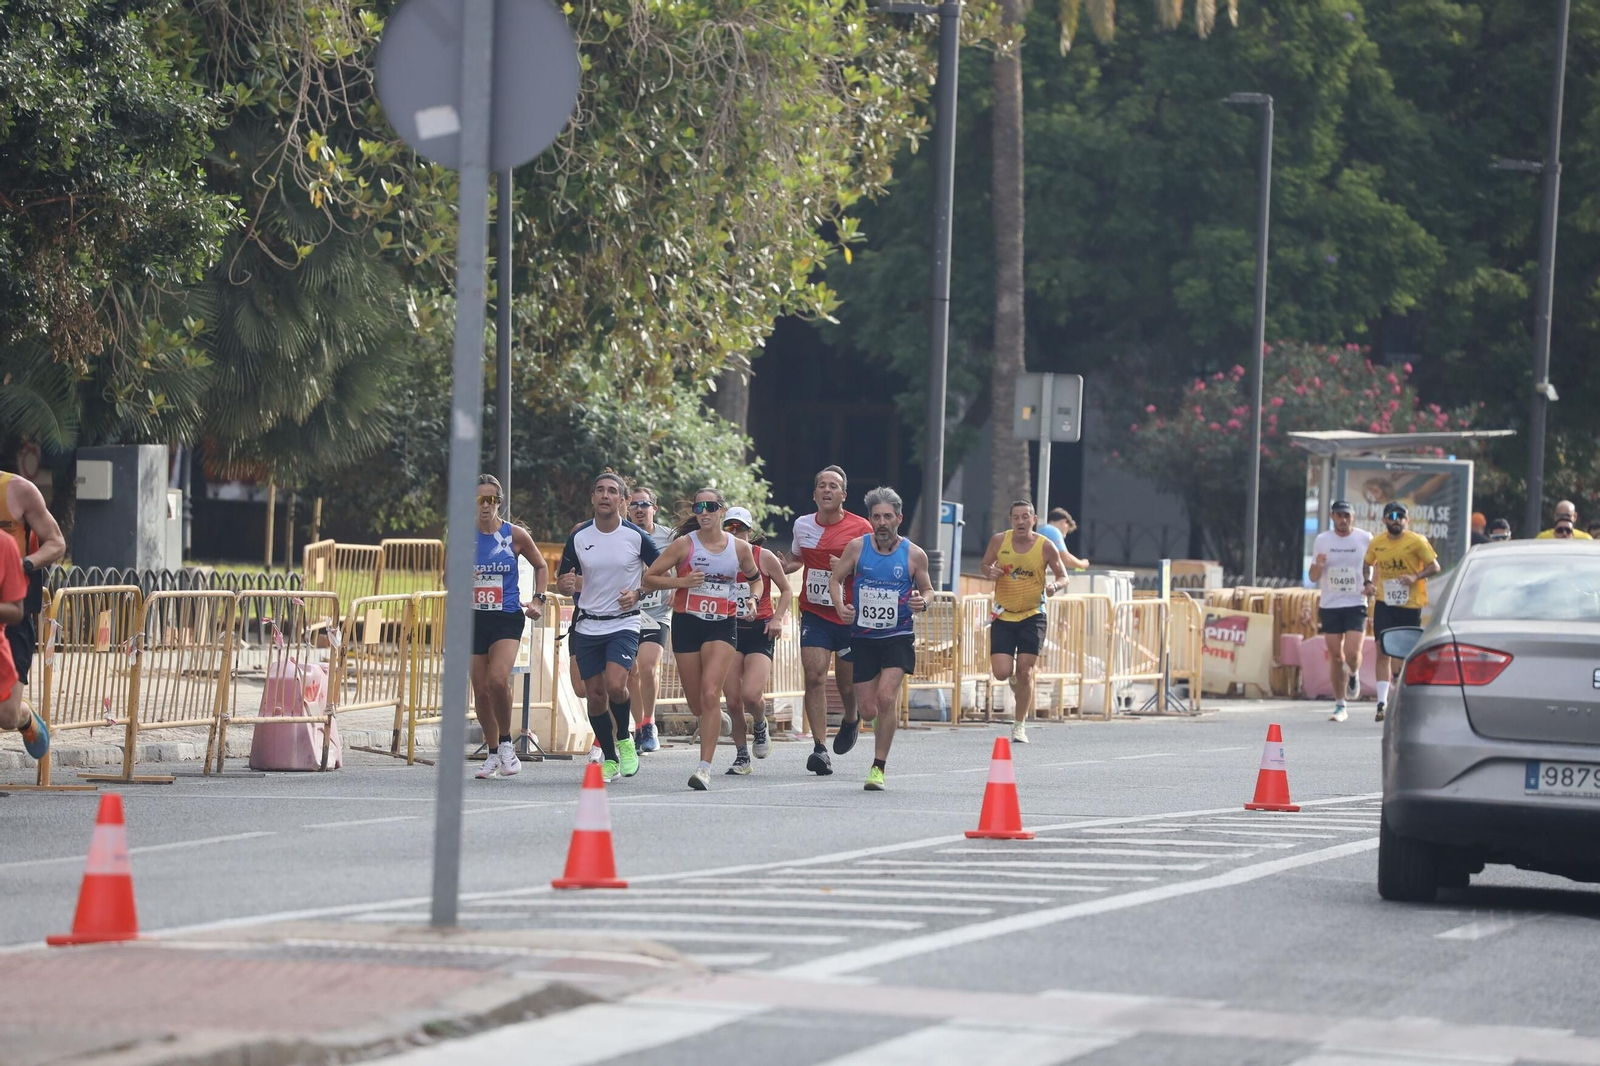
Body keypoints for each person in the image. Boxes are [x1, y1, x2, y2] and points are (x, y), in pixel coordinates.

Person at [645, 488, 759, 790]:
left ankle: (704, 768)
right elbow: (649, 578)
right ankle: (712, 715)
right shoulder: (685, 545)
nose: (704, 512)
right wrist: (682, 582)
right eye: (699, 508)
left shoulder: (738, 548)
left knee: (710, 693)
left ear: (721, 510)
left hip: (722, 624)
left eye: (710, 507)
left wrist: (753, 600)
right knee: (697, 703)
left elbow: (755, 578)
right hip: (687, 623)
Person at [557, 471, 660, 782]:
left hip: (624, 622)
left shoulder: (636, 536)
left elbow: (659, 572)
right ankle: (611, 758)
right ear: (592, 497)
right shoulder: (579, 537)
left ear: (622, 500)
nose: (605, 495)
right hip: (588, 624)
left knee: (617, 685)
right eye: (599, 490)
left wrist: (639, 593)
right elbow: (564, 579)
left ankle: (626, 741)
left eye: (612, 491)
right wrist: (563, 584)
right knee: (595, 694)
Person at [829, 487, 932, 790]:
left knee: (886, 698)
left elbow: (928, 589)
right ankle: (870, 724)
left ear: (899, 518)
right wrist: (840, 607)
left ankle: (878, 766)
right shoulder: (857, 548)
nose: (882, 522)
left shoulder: (914, 554)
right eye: (877, 517)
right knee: (870, 708)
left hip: (897, 635)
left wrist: (922, 602)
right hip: (863, 636)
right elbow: (836, 580)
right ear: (871, 520)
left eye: (888, 516)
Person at [786, 465, 872, 775]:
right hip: (815, 613)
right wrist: (784, 566)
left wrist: (850, 567)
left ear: (843, 495)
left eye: (833, 486)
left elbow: (876, 567)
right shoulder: (802, 525)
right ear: (814, 494)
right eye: (821, 485)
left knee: (847, 686)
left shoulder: (862, 528)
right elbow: (798, 559)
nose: (826, 489)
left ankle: (851, 718)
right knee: (815, 677)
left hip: (849, 614)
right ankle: (819, 748)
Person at [980, 500, 1084, 743]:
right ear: (1011, 521)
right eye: (1016, 517)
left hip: (1033, 615)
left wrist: (1054, 585)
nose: (1021, 521)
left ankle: (1019, 725)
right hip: (1004, 614)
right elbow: (985, 564)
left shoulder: (1045, 546)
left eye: (1025, 517)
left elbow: (1063, 576)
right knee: (1002, 672)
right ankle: (1016, 679)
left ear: (1034, 520)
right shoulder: (999, 541)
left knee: (1026, 671)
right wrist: (989, 571)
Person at [468, 476, 549, 779]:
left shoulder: (514, 535)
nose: (485, 505)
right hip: (474, 618)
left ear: (499, 502)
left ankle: (506, 744)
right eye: (479, 500)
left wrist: (538, 600)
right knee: (481, 690)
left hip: (506, 617)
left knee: (497, 680)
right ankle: (493, 752)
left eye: (491, 499)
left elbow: (541, 566)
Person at [721, 507, 792, 774]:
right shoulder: (718, 557)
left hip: (759, 630)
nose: (735, 532)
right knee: (733, 700)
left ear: (750, 531)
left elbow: (786, 589)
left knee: (751, 695)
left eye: (740, 528)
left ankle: (760, 724)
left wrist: (777, 619)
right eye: (730, 527)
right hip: (729, 630)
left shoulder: (764, 557)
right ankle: (741, 755)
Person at [1363, 502, 1441, 723]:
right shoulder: (1377, 542)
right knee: (1382, 648)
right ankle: (1382, 703)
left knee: (1408, 653)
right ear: (1384, 520)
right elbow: (1367, 562)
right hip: (1384, 602)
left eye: (1400, 516)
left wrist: (1414, 577)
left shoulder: (1416, 541)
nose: (1396, 519)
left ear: (1407, 520)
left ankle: (1408, 698)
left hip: (1410, 603)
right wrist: (1368, 582)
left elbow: (1434, 566)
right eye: (1391, 516)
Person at [0, 470, 66, 699]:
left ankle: (26, 720)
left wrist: (20, 565)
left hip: (13, 611)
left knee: (8, 714)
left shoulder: (18, 490)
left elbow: (56, 543)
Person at [1308, 500, 1372, 723]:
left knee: (1353, 653)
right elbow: (1313, 577)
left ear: (1353, 517)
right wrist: (1318, 565)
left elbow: (1372, 565)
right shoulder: (1323, 540)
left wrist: (1370, 583)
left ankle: (1353, 674)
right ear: (1332, 517)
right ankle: (1339, 704)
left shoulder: (1365, 538)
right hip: (1331, 603)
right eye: (1339, 515)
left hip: (1356, 601)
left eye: (1346, 516)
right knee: (1336, 656)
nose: (1343, 520)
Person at [625, 486, 676, 753]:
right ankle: (638, 726)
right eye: (634, 505)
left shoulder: (669, 536)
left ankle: (649, 723)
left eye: (645, 504)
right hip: (627, 610)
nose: (639, 509)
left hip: (657, 611)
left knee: (647, 666)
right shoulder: (621, 534)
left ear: (654, 509)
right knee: (631, 671)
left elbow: (687, 561)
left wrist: (679, 588)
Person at [0, 535, 48, 761]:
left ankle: (24, 715)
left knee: (7, 717)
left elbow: (16, 610)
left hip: (11, 632)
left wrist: (28, 562)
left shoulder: (5, 544)